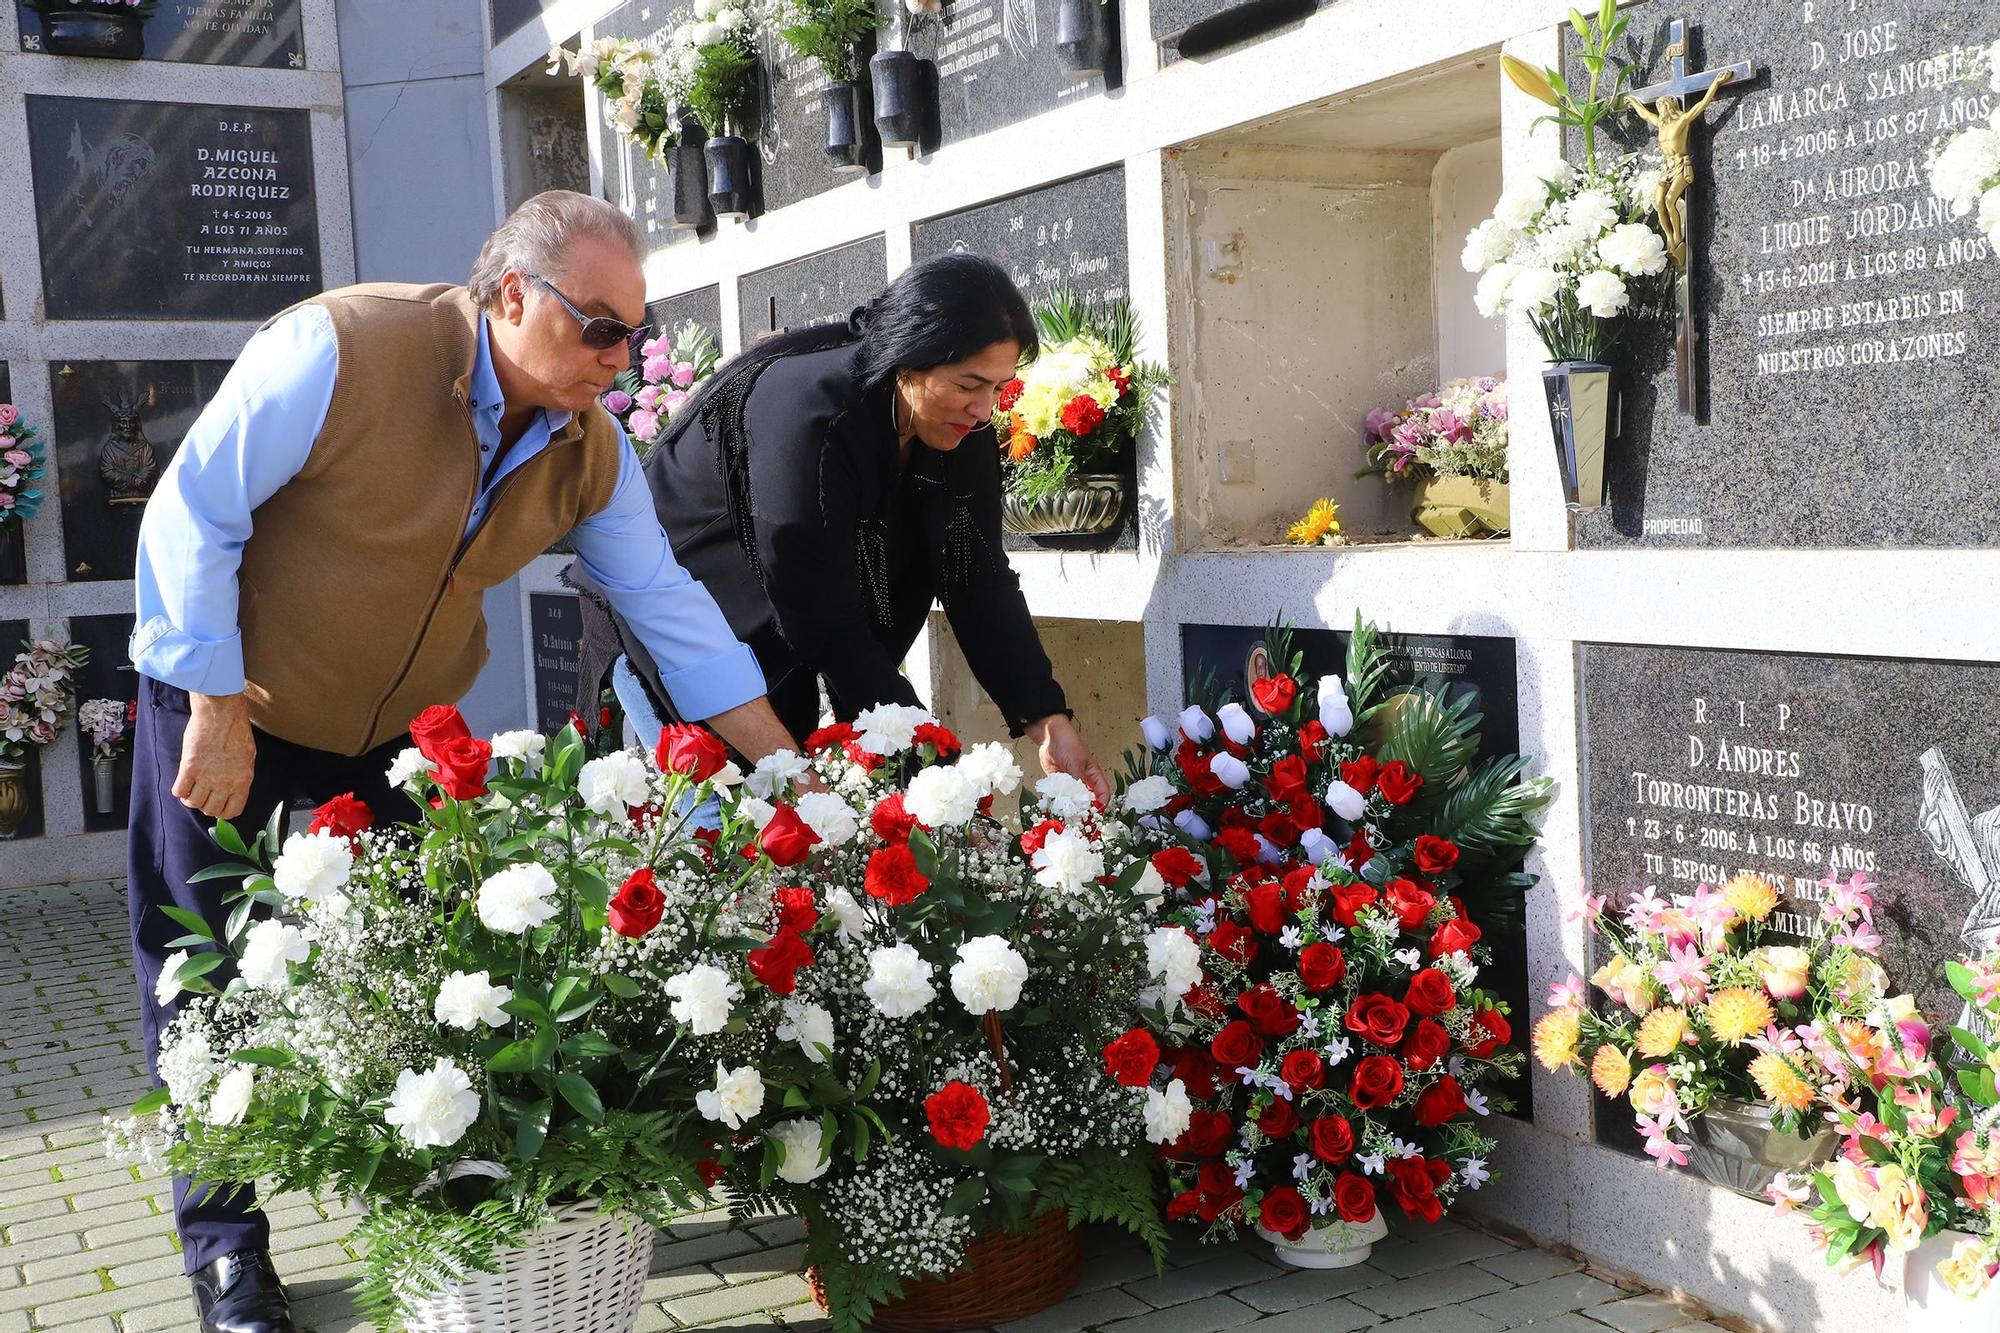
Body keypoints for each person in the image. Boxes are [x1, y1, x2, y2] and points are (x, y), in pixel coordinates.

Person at [127, 190, 798, 1333]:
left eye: (633, 333)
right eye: (599, 327)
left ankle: (455, 1227)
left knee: (427, 984)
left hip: (393, 738)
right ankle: (228, 1256)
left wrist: (790, 774)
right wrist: (216, 699)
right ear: (510, 295)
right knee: (208, 979)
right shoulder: (344, 346)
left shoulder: (588, 448)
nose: (620, 357)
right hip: (236, 700)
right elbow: (192, 513)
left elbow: (666, 603)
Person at [571, 252, 1110, 800]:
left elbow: (978, 581)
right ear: (908, 361)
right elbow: (818, 609)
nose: (983, 410)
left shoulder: (958, 431)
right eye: (969, 384)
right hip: (687, 634)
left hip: (790, 637)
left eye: (998, 387)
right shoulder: (807, 409)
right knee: (730, 837)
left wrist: (1047, 719)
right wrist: (930, 776)